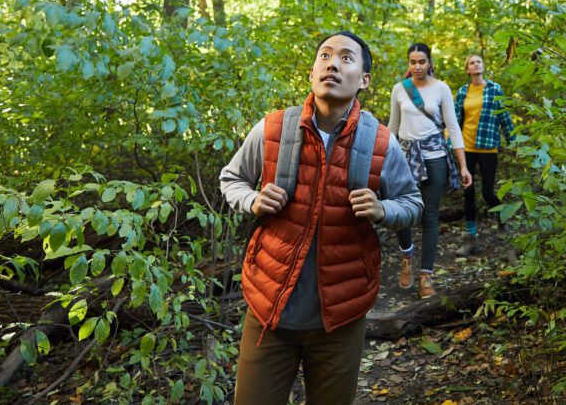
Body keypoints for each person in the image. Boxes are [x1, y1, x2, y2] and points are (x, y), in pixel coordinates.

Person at [219, 31, 422, 405]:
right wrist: (252, 201)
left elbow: (412, 202)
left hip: (341, 317)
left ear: (364, 80)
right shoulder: (273, 129)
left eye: (346, 58)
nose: (332, 63)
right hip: (270, 310)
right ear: (312, 72)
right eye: (325, 56)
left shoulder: (380, 142)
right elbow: (231, 179)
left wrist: (383, 210)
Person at [387, 43, 472, 299]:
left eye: (421, 61)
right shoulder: (400, 89)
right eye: (412, 62)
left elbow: (453, 127)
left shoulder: (441, 88)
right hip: (404, 158)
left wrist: (463, 164)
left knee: (430, 216)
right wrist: (383, 159)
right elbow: (392, 127)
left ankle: (426, 277)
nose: (417, 67)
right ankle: (407, 256)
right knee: (401, 212)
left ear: (430, 62)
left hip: (434, 158)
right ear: (408, 63)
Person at [454, 53, 515, 257]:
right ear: (468, 70)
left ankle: (503, 222)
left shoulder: (494, 89)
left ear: (483, 66)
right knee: (468, 193)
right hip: (467, 148)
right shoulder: (463, 92)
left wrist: (514, 141)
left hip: (489, 148)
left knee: (488, 193)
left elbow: (504, 116)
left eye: (478, 61)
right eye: (471, 62)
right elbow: (455, 120)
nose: (476, 64)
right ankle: (471, 238)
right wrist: (450, 143)